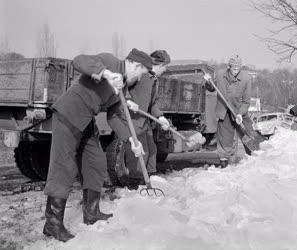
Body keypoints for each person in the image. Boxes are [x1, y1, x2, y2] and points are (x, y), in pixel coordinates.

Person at [43, 48, 152, 242]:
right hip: (69, 113)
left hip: (86, 121)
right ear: (136, 65)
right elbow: (79, 60)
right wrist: (106, 74)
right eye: (142, 72)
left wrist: (131, 141)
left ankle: (91, 213)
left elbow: (115, 117)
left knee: (96, 161)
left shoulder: (123, 86)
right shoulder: (109, 62)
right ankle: (52, 223)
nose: (141, 78)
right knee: (64, 166)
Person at [106, 50, 171, 188]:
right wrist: (129, 100)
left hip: (144, 119)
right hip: (132, 118)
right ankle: (135, 182)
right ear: (160, 64)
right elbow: (122, 87)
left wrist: (160, 116)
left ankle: (150, 177)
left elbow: (152, 103)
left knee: (151, 149)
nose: (165, 70)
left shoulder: (153, 79)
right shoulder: (140, 75)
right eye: (165, 67)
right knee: (139, 152)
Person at [204, 54, 251, 168]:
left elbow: (246, 101)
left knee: (248, 133)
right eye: (233, 68)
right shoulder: (220, 74)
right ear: (229, 67)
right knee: (225, 137)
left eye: (238, 68)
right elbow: (211, 88)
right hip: (223, 110)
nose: (235, 71)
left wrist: (240, 114)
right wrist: (208, 81)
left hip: (239, 110)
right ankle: (224, 161)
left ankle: (253, 155)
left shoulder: (246, 78)